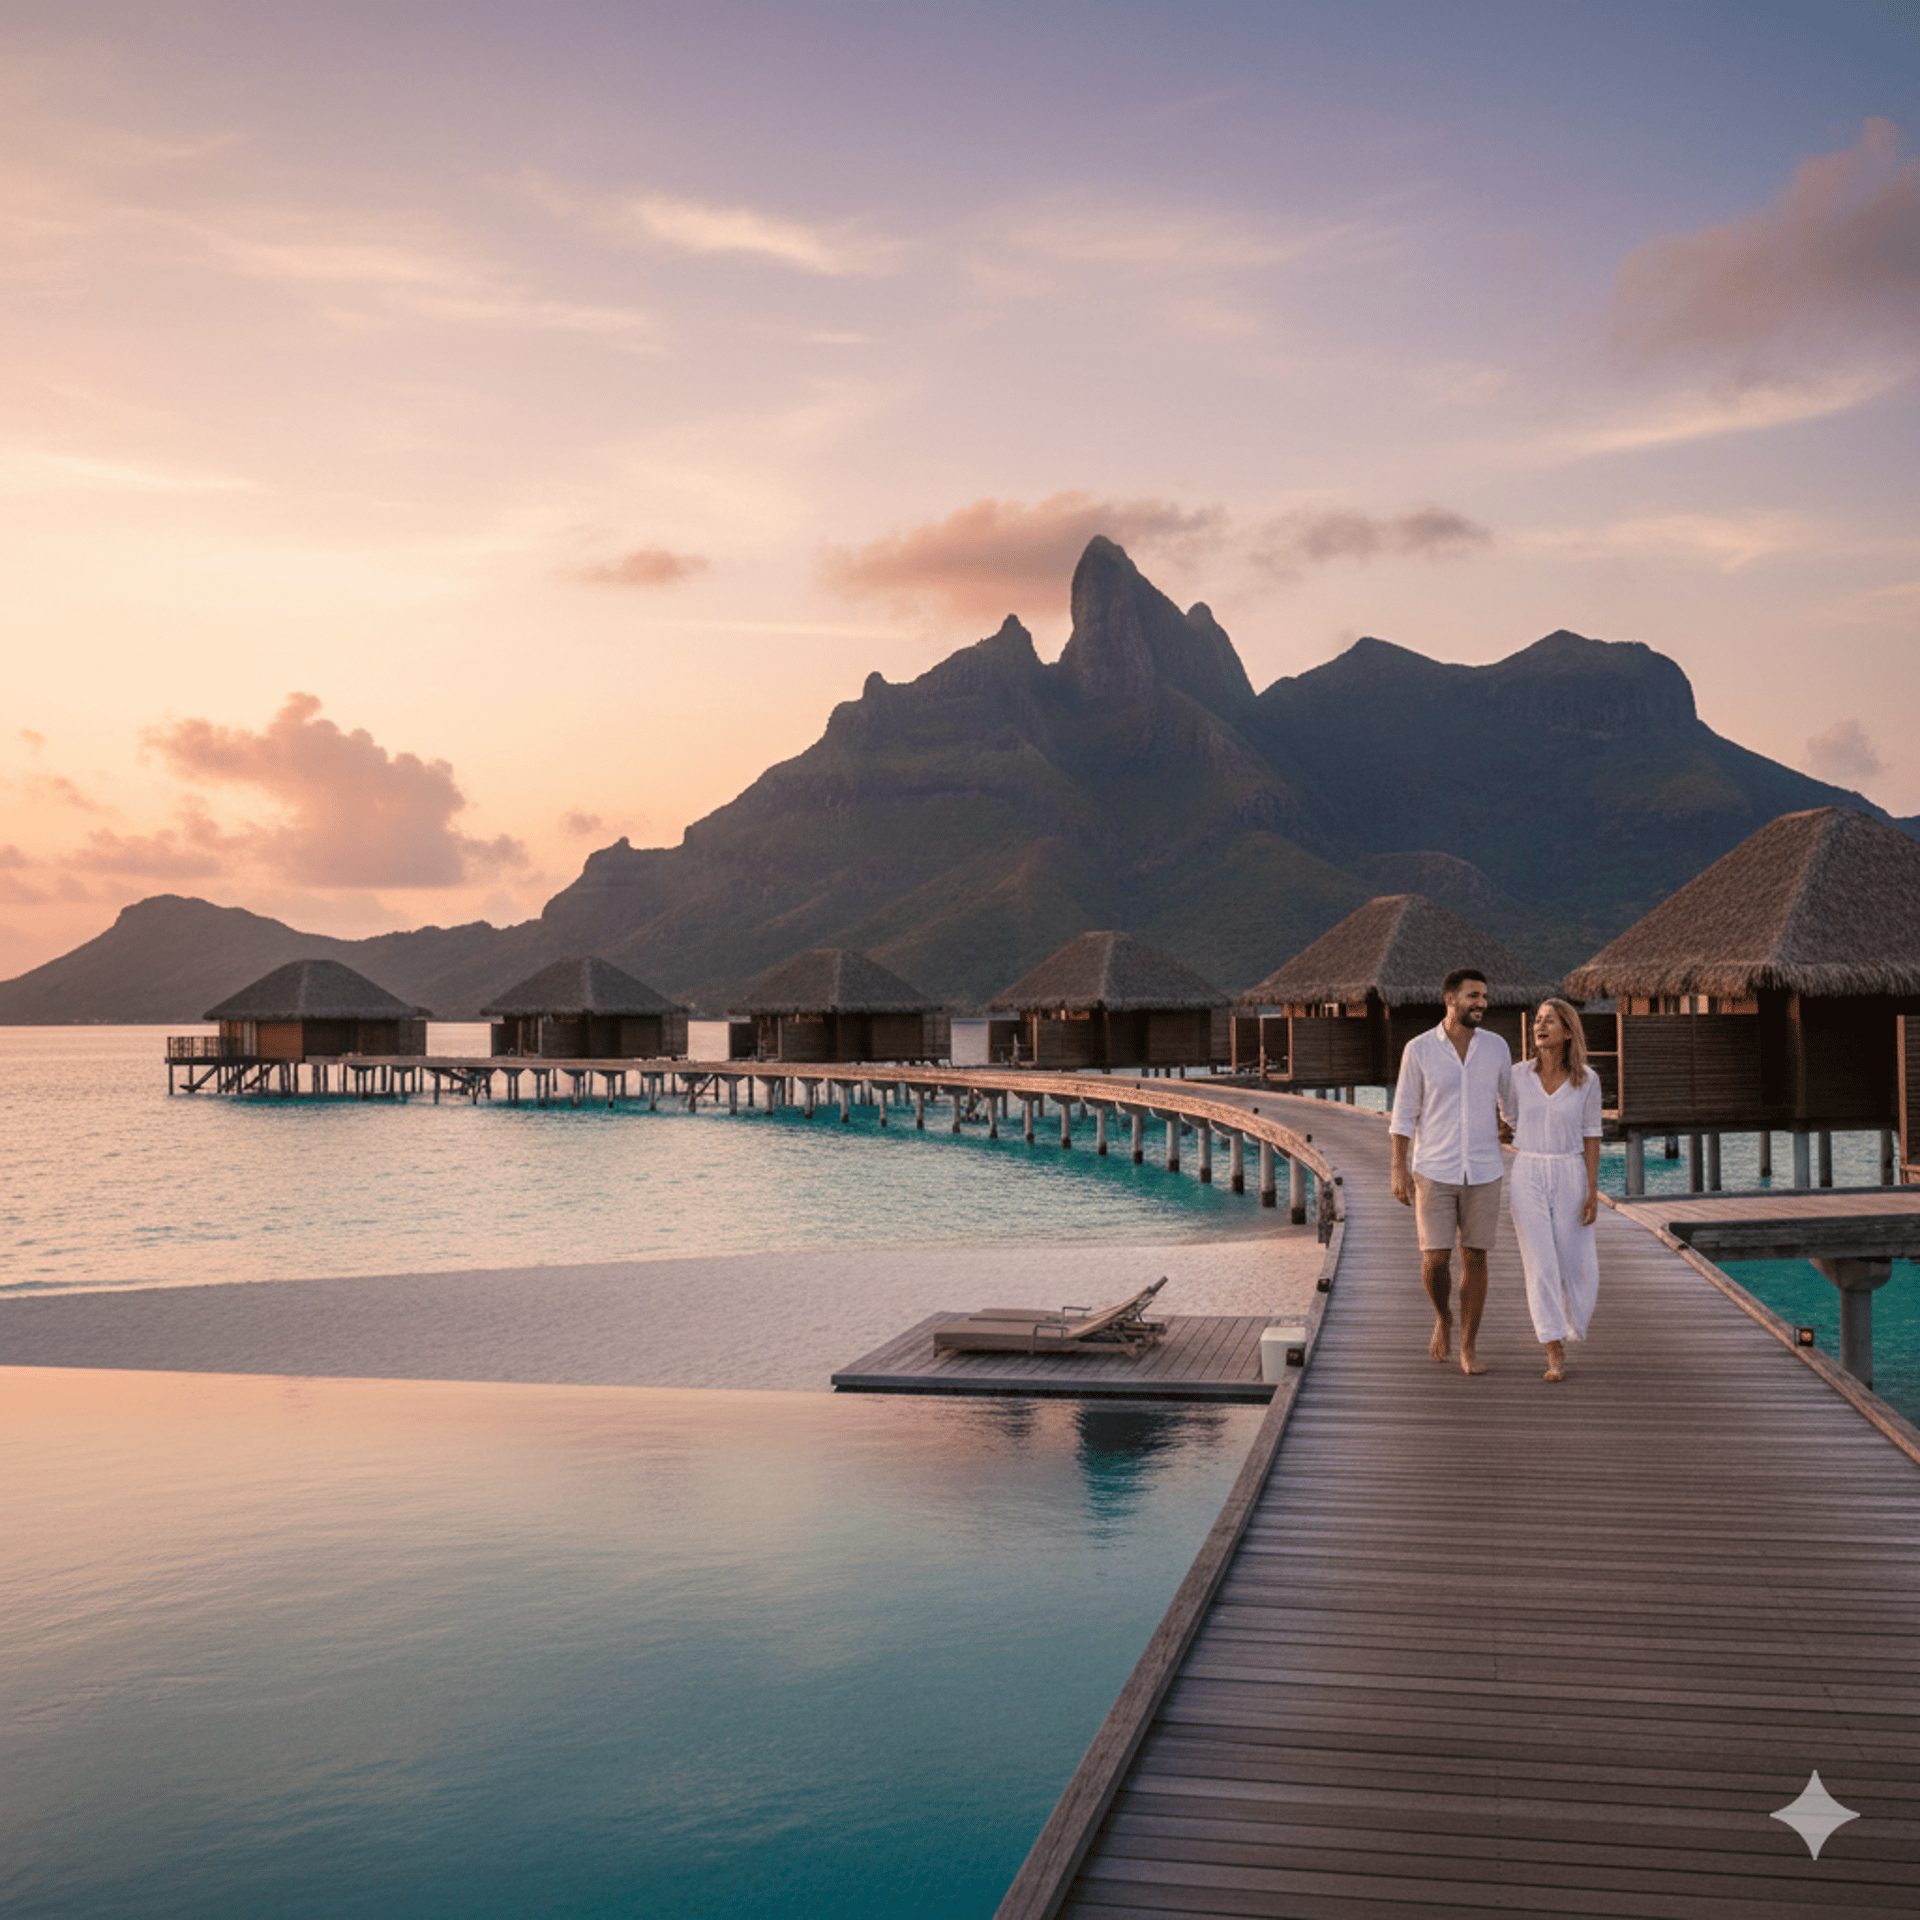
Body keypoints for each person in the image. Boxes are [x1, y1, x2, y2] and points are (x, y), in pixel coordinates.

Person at [1389, 967, 1512, 1375]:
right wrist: (1398, 1170)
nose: (1482, 1004)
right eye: (1473, 996)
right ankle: (1443, 1315)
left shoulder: (1496, 1048)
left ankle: (1468, 1345)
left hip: (1484, 1170)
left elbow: (1511, 1107)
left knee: (1475, 1257)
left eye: (1485, 997)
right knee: (1435, 1260)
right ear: (1450, 998)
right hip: (1434, 1170)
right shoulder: (1419, 1049)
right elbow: (1404, 1114)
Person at [1502, 997, 1602, 1382]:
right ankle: (1553, 1347)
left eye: (1550, 1021)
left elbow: (1592, 1135)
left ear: (1567, 1031)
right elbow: (1507, 1112)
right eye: (1538, 1020)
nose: (1540, 1026)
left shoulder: (1586, 1080)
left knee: (1577, 1262)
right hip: (1528, 1169)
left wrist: (1592, 1190)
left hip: (1569, 1170)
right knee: (1540, 1264)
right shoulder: (1516, 1075)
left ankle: (1572, 1321)